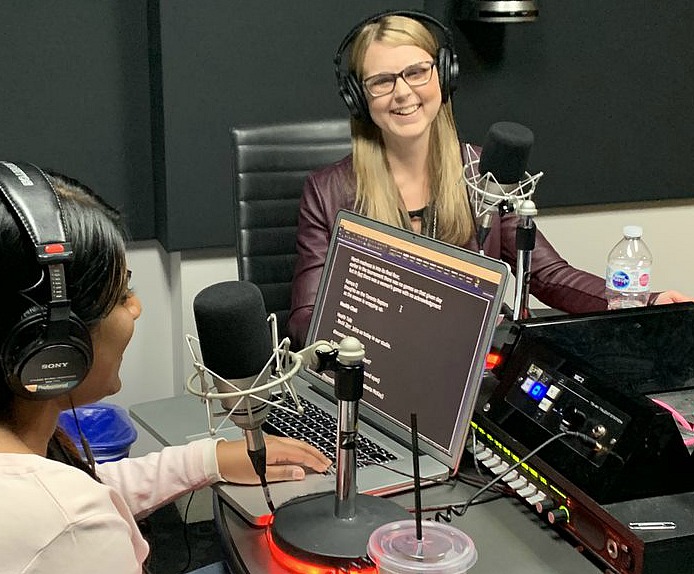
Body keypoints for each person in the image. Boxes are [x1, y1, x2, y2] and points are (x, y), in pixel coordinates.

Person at [0, 163, 330, 573]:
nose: (137, 308)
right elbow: (62, 514)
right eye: (123, 294)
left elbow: (54, 492)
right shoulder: (71, 526)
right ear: (53, 347)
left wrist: (204, 459)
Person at [287, 11, 691, 349]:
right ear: (358, 96)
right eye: (382, 81)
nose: (403, 92)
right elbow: (306, 318)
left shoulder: (485, 171)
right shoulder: (328, 190)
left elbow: (546, 274)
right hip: (385, 374)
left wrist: (640, 304)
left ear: (443, 76)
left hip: (475, 367)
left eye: (416, 72)